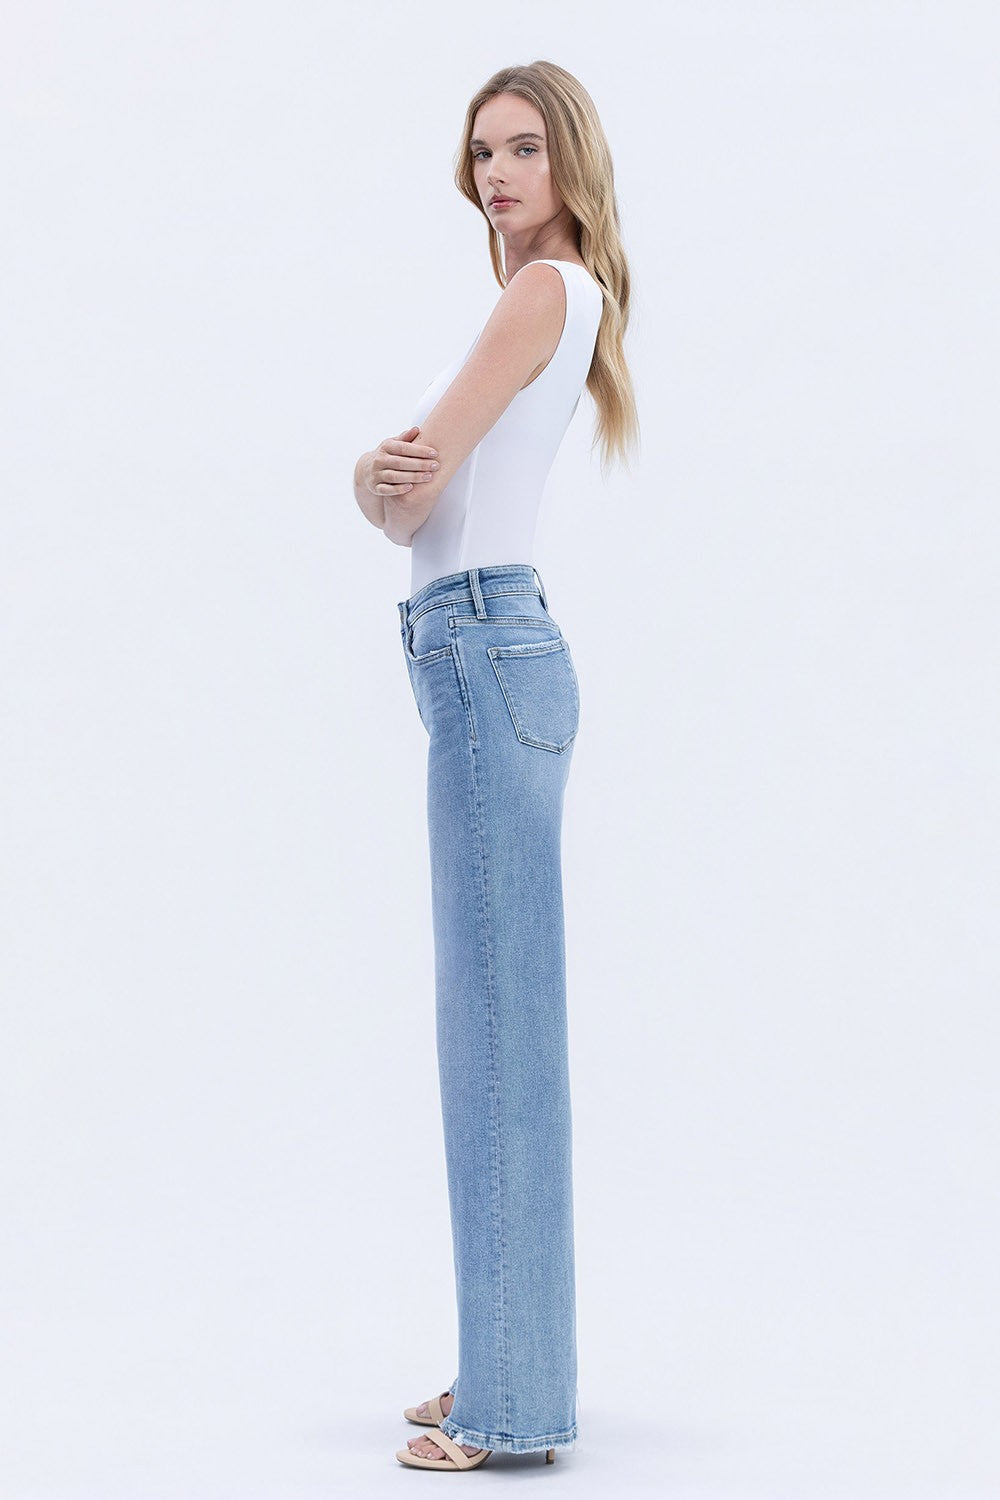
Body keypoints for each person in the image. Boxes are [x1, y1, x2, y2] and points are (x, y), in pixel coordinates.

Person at [353, 59, 639, 1473]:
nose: (499, 175)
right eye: (482, 154)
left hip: (480, 646)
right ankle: (505, 1360)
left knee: (495, 1035)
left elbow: (409, 490)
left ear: (568, 160)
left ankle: (513, 1402)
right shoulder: (550, 299)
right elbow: (405, 490)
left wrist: (370, 477)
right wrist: (380, 484)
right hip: (482, 652)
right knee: (499, 1023)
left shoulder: (538, 295)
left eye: (524, 148)